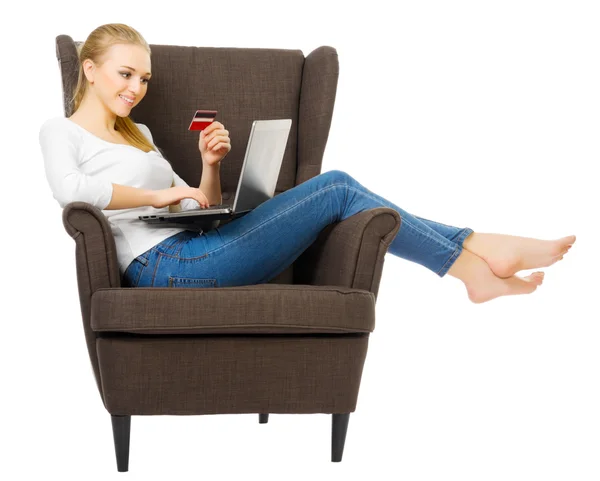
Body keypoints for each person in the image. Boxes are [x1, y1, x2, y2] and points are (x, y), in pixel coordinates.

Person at [40, 23, 576, 304]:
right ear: (90, 69)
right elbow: (72, 191)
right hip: (166, 269)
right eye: (126, 74)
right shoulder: (60, 131)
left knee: (337, 188)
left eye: (144, 79)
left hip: (197, 245)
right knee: (336, 186)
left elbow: (195, 200)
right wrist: (157, 197)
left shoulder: (143, 134)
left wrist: (209, 165)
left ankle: (472, 255)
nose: (136, 88)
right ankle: (471, 256)